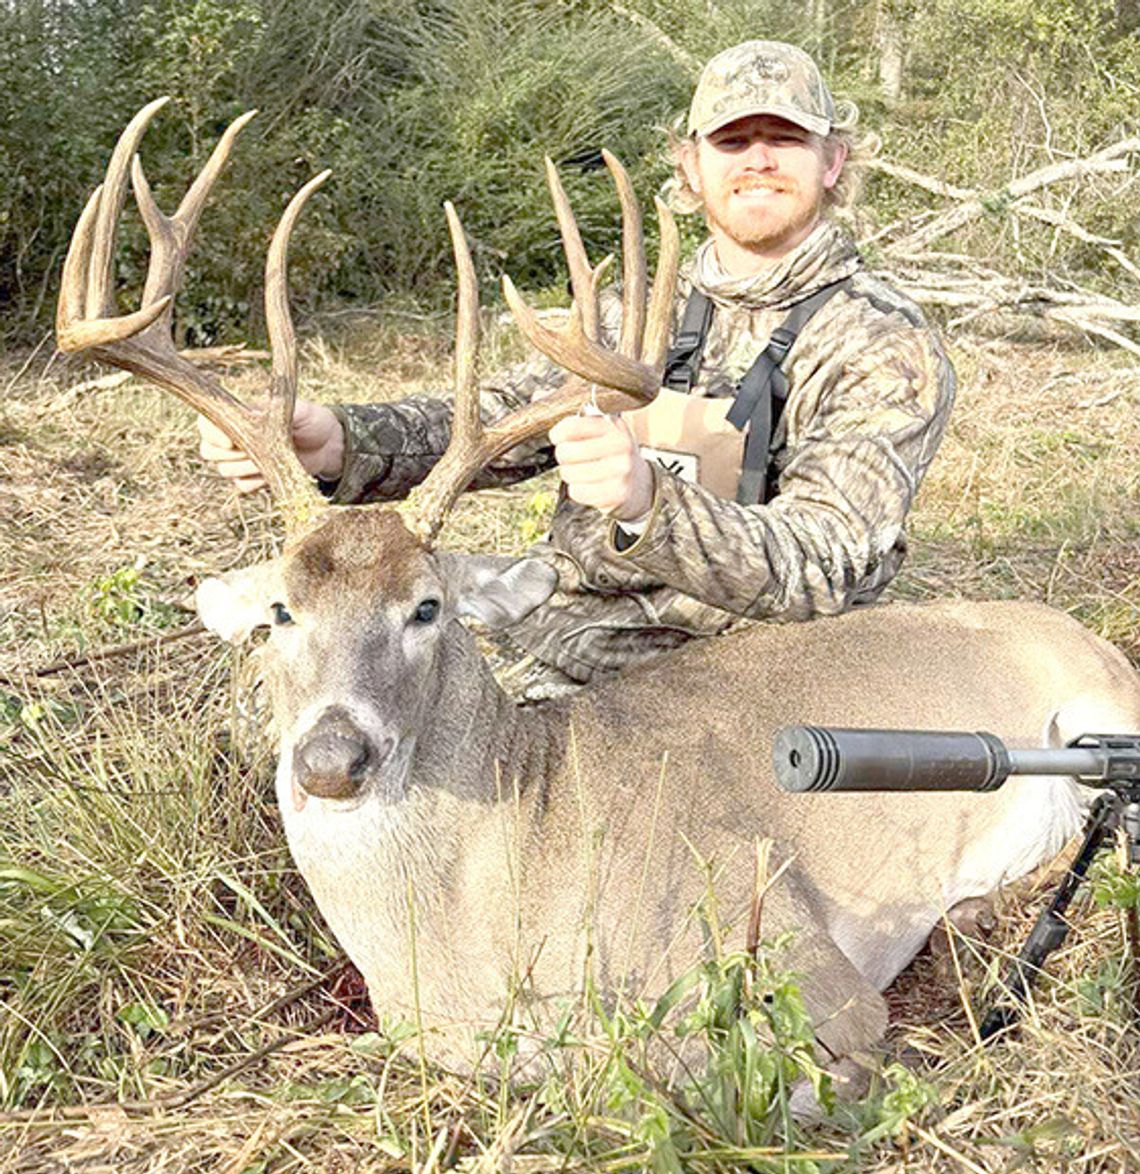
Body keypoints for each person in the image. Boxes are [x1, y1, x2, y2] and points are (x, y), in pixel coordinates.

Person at [200, 40, 955, 689]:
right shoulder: (641, 310)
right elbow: (503, 420)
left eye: (785, 139)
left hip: (740, 673)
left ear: (833, 161)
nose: (758, 159)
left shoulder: (879, 342)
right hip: (556, 634)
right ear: (691, 167)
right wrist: (339, 439)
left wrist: (647, 501)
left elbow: (826, 563)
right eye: (732, 142)